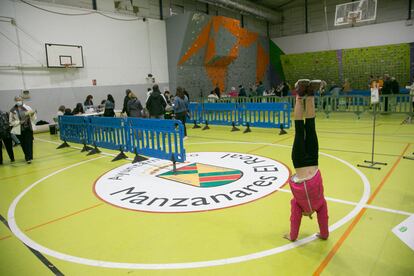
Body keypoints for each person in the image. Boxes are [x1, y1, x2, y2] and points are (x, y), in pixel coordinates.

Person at [284, 79, 329, 242]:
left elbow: (295, 219)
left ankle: (304, 94)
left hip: (308, 161)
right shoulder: (316, 205)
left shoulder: (309, 205)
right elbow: (297, 219)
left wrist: (292, 236)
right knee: (305, 127)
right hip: (306, 161)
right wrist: (323, 234)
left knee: (307, 127)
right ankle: (307, 94)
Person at [9, 96, 36, 164]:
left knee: (29, 143)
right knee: (23, 144)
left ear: (22, 100)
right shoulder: (12, 110)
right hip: (19, 130)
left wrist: (32, 115)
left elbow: (33, 118)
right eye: (17, 100)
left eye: (20, 100)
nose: (18, 101)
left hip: (28, 128)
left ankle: (28, 158)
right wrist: (19, 122)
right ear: (15, 101)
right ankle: (27, 156)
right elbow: (11, 122)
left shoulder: (28, 107)